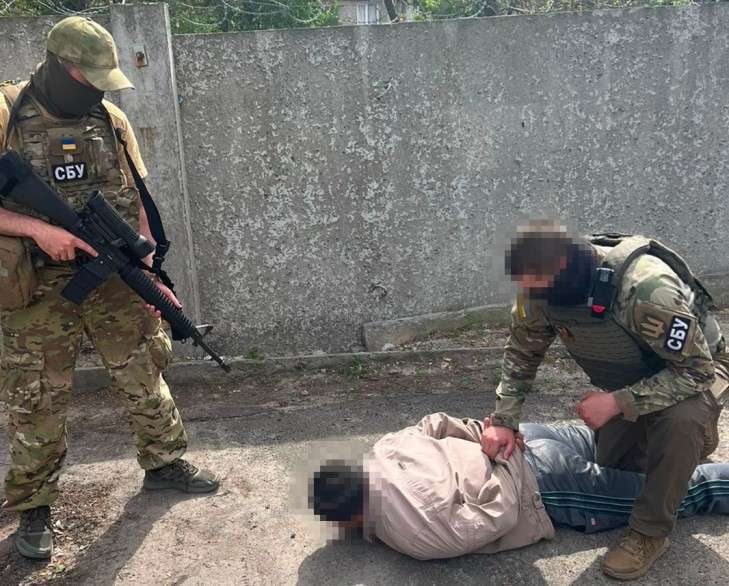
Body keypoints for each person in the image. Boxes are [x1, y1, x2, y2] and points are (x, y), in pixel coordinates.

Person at [0, 17, 218, 560]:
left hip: (111, 274)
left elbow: (134, 193)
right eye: (88, 77)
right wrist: (39, 230)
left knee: (144, 366)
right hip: (35, 285)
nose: (97, 88)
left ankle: (164, 462)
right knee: (37, 393)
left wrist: (149, 270)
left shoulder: (109, 118)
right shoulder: (5, 113)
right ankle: (33, 504)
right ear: (60, 65)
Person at [481, 221, 728, 579]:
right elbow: (522, 351)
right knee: (617, 472)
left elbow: (698, 371)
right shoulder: (538, 289)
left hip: (697, 370)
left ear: (561, 269)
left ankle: (650, 531)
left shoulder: (645, 289)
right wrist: (504, 421)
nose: (526, 293)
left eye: (533, 283)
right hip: (635, 374)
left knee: (680, 420)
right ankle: (673, 448)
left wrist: (617, 403)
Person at [309, 413, 729, 560]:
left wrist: (504, 459)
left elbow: (500, 515)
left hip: (544, 481)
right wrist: (493, 432)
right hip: (523, 435)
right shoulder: (383, 449)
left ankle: (691, 454)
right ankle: (683, 439)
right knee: (618, 446)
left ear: (352, 518)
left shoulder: (414, 532)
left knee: (682, 491)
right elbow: (433, 423)